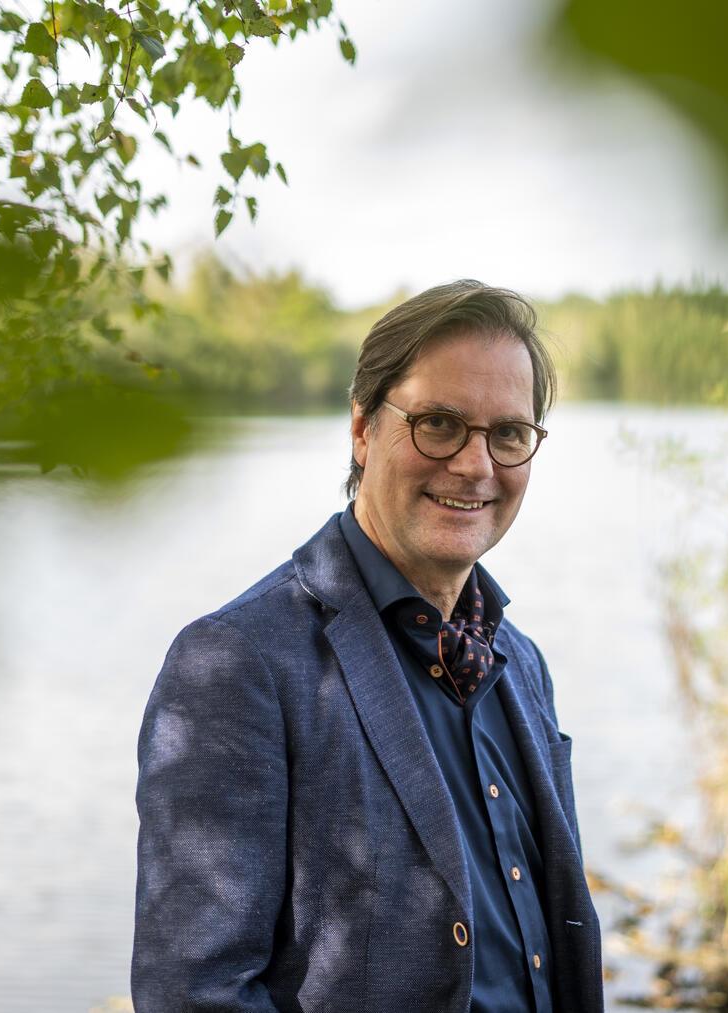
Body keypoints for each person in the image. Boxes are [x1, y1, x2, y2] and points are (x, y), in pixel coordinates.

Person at [132, 281, 603, 1012]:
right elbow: (195, 992)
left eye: (508, 433)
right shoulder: (236, 663)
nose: (476, 465)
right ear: (361, 427)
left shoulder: (523, 662)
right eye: (439, 424)